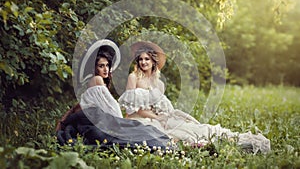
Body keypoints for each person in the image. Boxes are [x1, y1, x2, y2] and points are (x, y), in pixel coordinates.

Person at [118, 41, 271, 154]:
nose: (143, 62)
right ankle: (204, 147)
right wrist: (158, 119)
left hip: (158, 118)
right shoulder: (134, 78)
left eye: (147, 59)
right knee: (172, 137)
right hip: (139, 120)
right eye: (141, 59)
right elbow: (134, 110)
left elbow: (158, 108)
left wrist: (163, 117)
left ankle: (234, 141)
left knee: (196, 129)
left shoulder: (159, 84)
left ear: (153, 61)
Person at [56, 40, 171, 149]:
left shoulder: (98, 82)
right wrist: (119, 122)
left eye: (107, 65)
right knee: (137, 132)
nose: (106, 69)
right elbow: (112, 108)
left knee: (141, 130)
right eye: (101, 66)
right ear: (95, 68)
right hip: (94, 120)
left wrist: (64, 119)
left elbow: (81, 104)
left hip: (97, 118)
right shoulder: (97, 80)